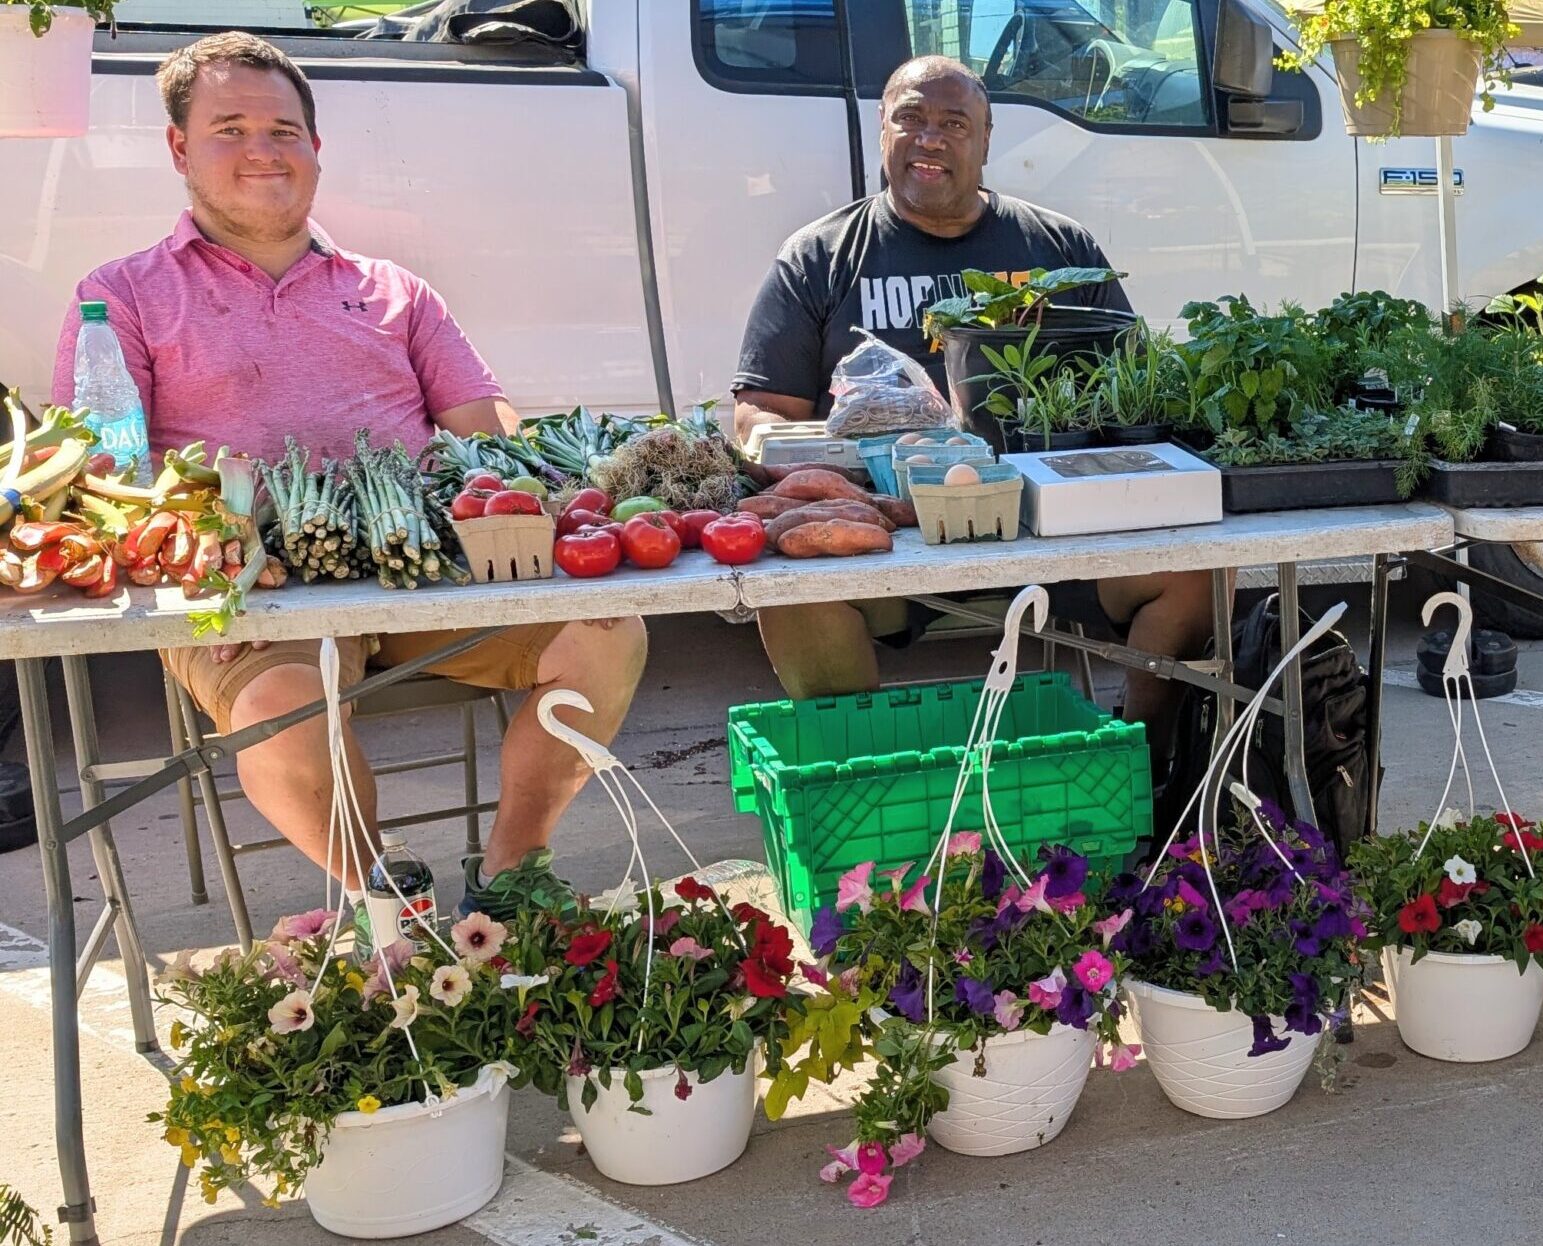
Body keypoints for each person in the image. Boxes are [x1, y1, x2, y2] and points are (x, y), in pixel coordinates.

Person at [52, 32, 647, 919]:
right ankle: (383, 903)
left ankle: (512, 876)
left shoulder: (394, 289)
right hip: (252, 584)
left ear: (316, 146)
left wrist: (542, 487)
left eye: (283, 131)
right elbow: (105, 474)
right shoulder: (123, 295)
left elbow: (485, 431)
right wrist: (207, 556)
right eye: (230, 129)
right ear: (179, 147)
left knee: (607, 632)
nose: (263, 150)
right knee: (284, 703)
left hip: (422, 565)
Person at [732, 55, 1210, 773]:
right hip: (889, 538)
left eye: (954, 124)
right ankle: (873, 792)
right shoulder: (820, 257)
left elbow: (1134, 385)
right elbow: (760, 411)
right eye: (910, 118)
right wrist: (825, 465)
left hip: (1053, 528)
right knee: (795, 596)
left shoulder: (1057, 248)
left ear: (986, 141)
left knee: (1192, 575)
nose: (929, 138)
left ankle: (1143, 772)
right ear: (882, 129)